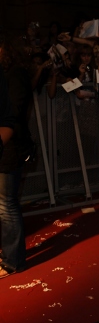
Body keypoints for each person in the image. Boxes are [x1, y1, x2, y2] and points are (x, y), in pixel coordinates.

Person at [0, 35, 34, 278]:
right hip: (7, 145)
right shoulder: (8, 75)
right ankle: (10, 255)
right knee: (4, 203)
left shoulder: (16, 75)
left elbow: (13, 111)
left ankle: (13, 261)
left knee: (7, 204)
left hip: (11, 147)